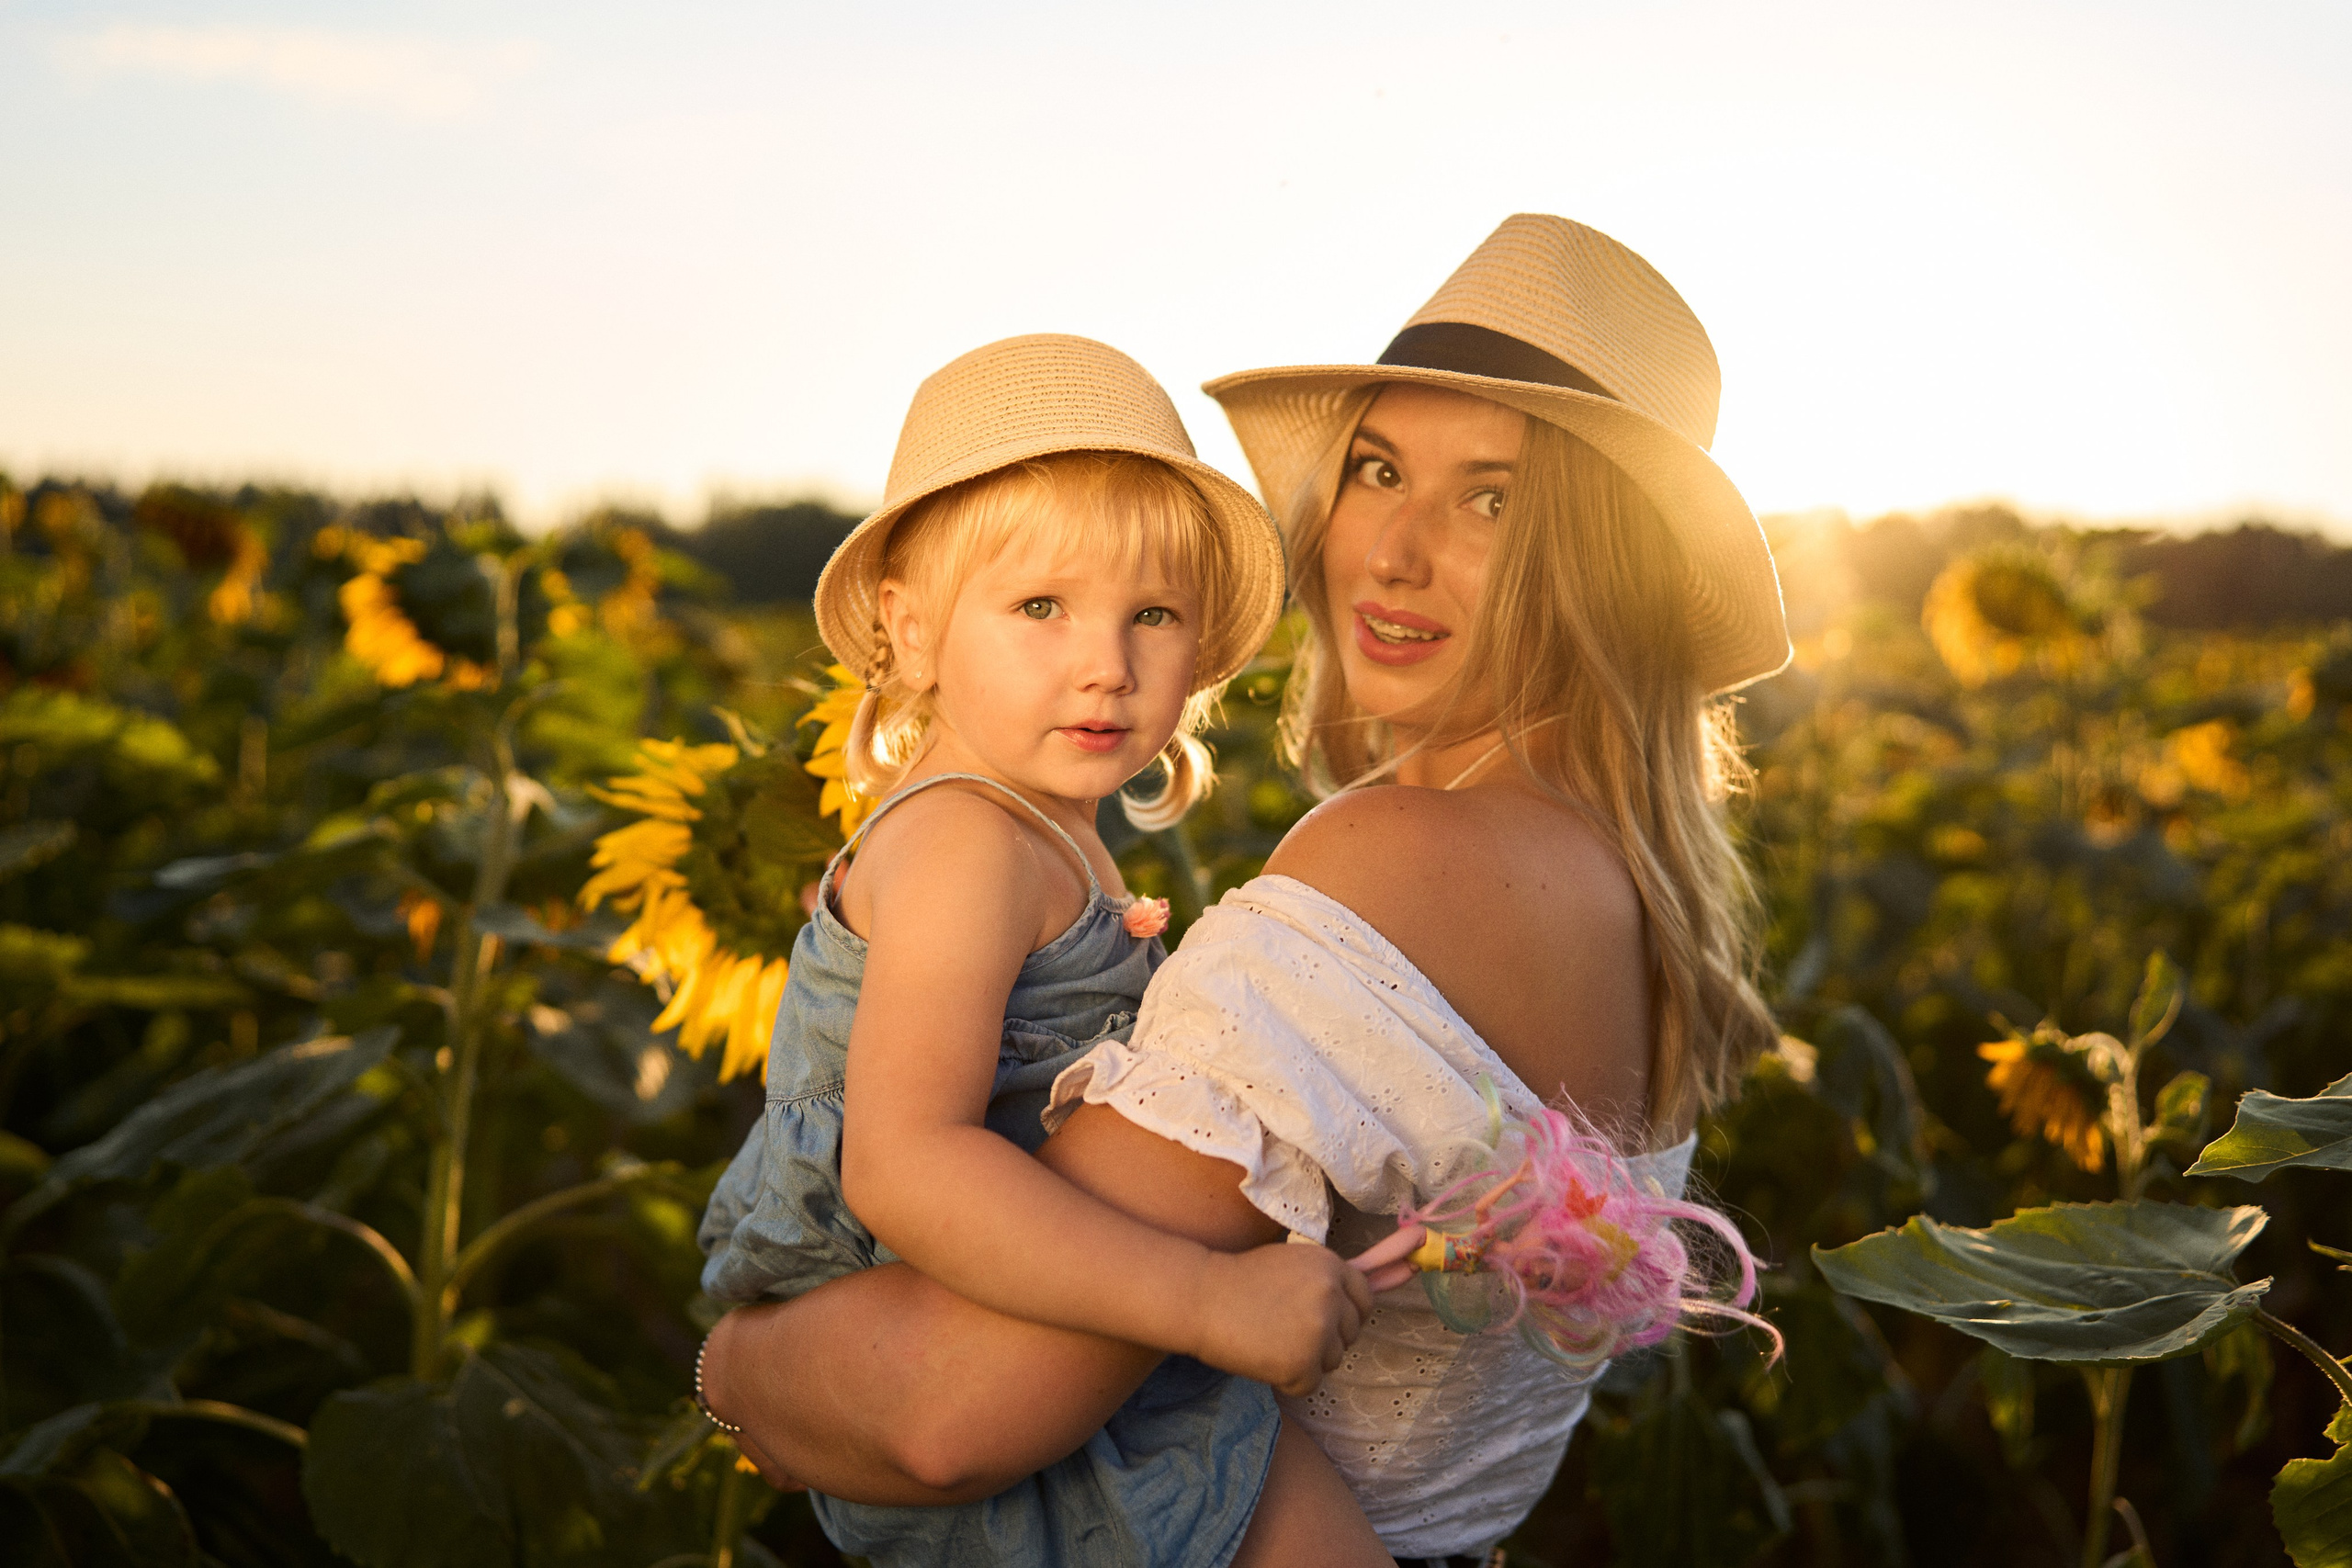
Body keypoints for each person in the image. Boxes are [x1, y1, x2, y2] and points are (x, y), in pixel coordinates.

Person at [700, 216, 1792, 1563]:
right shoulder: (1621, 895)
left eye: (1492, 499)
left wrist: (733, 1374)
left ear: (1608, 567)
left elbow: (946, 1414)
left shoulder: (1403, 865)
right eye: (1379, 470)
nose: (1392, 552)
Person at [694, 333, 1380, 1566]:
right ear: (910, 634)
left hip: (1057, 1302)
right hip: (968, 1317)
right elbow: (904, 1166)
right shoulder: (965, 842)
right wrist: (1212, 1300)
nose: (1105, 665)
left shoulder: (1039, 835)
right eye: (1040, 607)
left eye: (1152, 614)